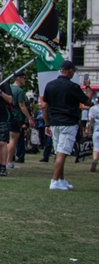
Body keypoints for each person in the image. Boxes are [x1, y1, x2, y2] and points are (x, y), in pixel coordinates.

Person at [40, 60, 92, 191]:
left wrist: (47, 124)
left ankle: (61, 179)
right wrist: (88, 87)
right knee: (62, 152)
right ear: (69, 71)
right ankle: (54, 180)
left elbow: (44, 107)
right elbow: (88, 101)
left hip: (54, 122)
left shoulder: (50, 85)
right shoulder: (73, 87)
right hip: (68, 122)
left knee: (59, 151)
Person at [7, 71, 33, 167]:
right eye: (24, 78)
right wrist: (29, 118)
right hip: (16, 116)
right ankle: (8, 161)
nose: (25, 80)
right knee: (13, 140)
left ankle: (6, 160)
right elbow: (22, 105)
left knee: (8, 140)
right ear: (19, 78)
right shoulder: (20, 91)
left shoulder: (8, 88)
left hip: (7, 116)